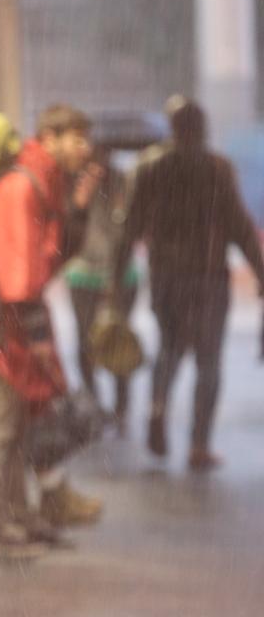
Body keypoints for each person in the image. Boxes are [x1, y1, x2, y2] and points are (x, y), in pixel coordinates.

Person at [0, 103, 103, 556]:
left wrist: (78, 209)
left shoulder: (44, 183)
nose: (83, 149)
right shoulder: (21, 186)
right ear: (47, 137)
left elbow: (49, 257)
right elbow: (17, 273)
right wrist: (35, 339)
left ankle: (18, 515)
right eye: (75, 138)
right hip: (2, 332)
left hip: (15, 327)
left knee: (15, 428)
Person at [113, 96, 264, 470]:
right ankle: (198, 445)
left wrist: (116, 279)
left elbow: (128, 226)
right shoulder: (216, 167)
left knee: (168, 348)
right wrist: (260, 272)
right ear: (202, 128)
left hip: (165, 276)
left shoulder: (148, 167)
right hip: (208, 277)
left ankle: (157, 407)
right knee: (208, 361)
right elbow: (240, 226)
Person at [65, 146, 140, 427]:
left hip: (122, 274)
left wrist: (123, 200)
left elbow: (132, 226)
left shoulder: (126, 182)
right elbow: (65, 223)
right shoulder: (73, 182)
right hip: (82, 273)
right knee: (85, 340)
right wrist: (81, 196)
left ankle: (122, 406)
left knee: (118, 338)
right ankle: (94, 402)